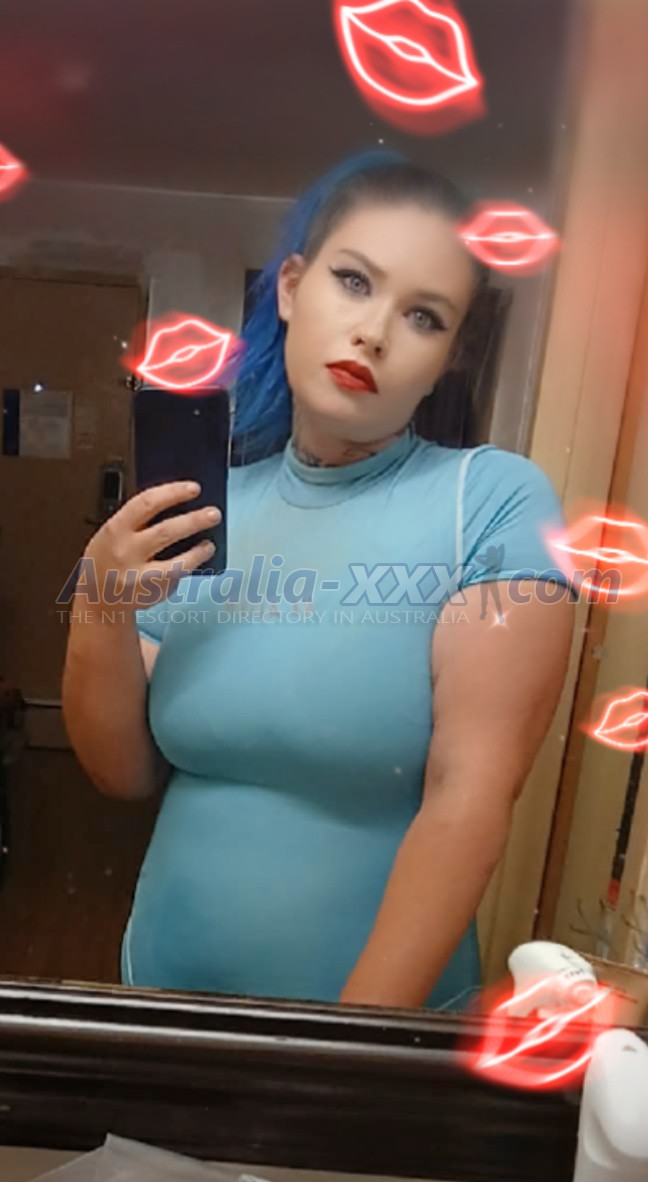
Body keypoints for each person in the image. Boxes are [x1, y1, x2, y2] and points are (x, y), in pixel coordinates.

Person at [62, 150, 574, 1011]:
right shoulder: (209, 509)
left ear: (449, 356)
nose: (373, 332)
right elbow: (123, 772)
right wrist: (99, 605)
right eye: (353, 281)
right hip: (164, 1006)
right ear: (293, 289)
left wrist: (346, 1046)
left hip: (366, 1032)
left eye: (422, 315)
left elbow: (468, 801)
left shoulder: (490, 503)